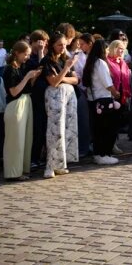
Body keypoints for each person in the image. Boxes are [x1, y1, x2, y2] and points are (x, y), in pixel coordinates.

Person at [39, 32, 79, 178]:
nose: (62, 47)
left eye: (64, 44)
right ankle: (50, 166)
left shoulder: (66, 58)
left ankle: (61, 164)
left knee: (68, 130)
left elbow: (76, 80)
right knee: (55, 131)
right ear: (52, 46)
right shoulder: (47, 61)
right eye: (59, 45)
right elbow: (53, 82)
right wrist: (65, 71)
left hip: (68, 96)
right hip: (54, 97)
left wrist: (63, 78)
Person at [2, 42, 42, 180]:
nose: (27, 57)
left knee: (26, 139)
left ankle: (21, 170)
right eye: (25, 54)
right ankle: (13, 172)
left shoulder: (20, 67)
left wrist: (33, 77)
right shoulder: (9, 70)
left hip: (25, 102)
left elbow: (25, 88)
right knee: (15, 140)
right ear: (17, 53)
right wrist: (27, 77)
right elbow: (14, 92)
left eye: (28, 54)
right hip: (15, 105)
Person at [83, 39, 120, 165]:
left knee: (98, 129)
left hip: (94, 100)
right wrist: (116, 93)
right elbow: (107, 84)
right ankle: (104, 154)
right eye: (107, 48)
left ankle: (99, 154)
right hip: (104, 100)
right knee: (108, 128)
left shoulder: (91, 62)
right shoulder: (101, 63)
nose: (108, 51)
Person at [26, 29, 49, 168]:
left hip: (46, 96)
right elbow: (41, 70)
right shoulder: (29, 58)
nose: (42, 44)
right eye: (39, 41)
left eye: (44, 42)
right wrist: (40, 52)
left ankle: (42, 155)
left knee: (45, 127)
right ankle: (34, 157)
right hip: (35, 97)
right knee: (37, 128)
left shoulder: (47, 55)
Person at [105, 40, 131, 154]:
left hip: (122, 94)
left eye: (122, 48)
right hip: (111, 94)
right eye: (119, 48)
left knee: (117, 121)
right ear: (113, 48)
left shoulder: (123, 62)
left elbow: (127, 78)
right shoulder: (107, 61)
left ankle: (114, 143)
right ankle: (110, 144)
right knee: (111, 121)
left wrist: (128, 94)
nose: (121, 51)